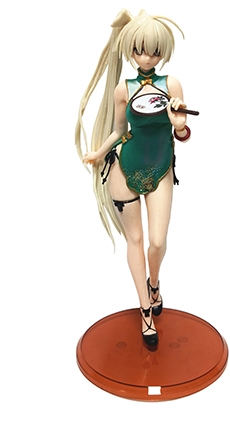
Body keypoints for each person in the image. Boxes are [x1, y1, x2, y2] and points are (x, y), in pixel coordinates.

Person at [75, 9, 191, 347]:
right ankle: (145, 310)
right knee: (136, 241)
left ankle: (155, 282)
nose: (147, 57)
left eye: (154, 51)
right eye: (140, 50)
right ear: (130, 50)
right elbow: (118, 130)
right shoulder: (122, 90)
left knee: (157, 242)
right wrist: (99, 153)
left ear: (162, 52)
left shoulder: (171, 85)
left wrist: (179, 123)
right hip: (124, 167)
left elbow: (182, 131)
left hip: (160, 168)